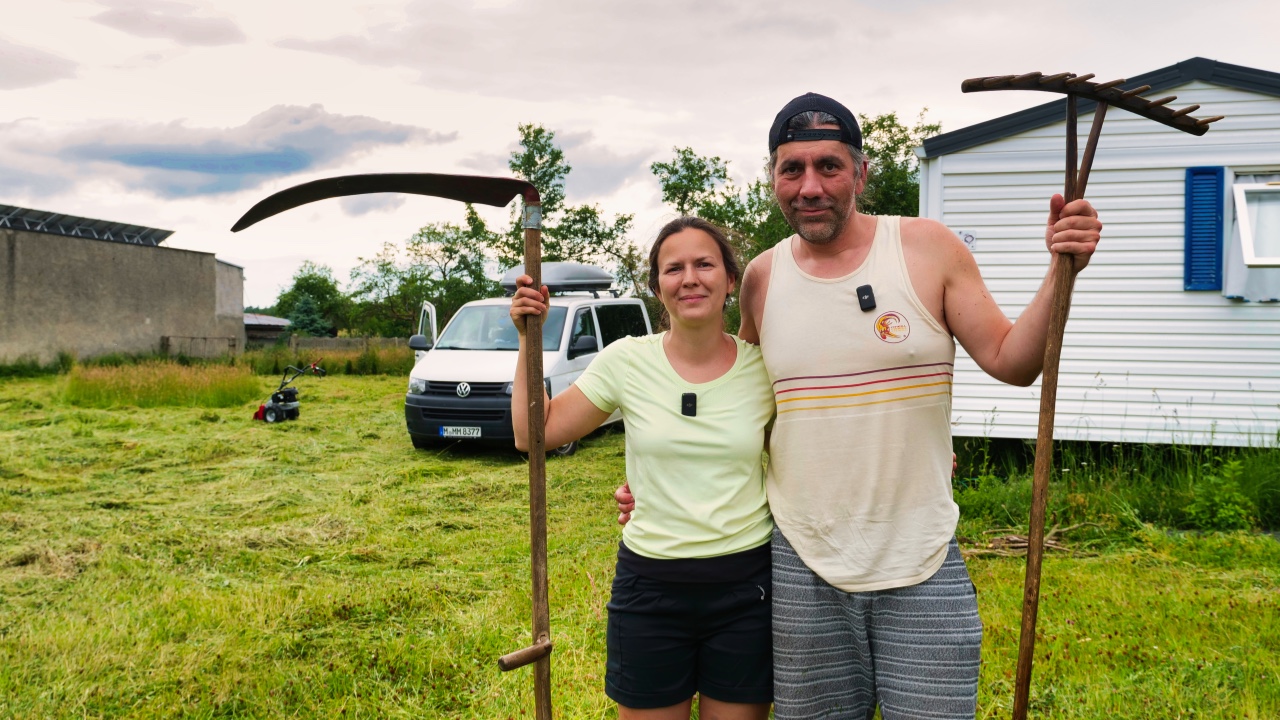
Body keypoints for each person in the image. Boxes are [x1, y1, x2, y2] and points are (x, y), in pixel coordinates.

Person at [617, 92, 1103, 719]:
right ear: (773, 180)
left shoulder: (928, 248)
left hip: (921, 555)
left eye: (829, 166)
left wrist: (1062, 270)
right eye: (792, 169)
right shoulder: (762, 279)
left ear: (862, 172)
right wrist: (667, 482)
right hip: (799, 564)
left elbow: (1013, 361)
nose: (810, 186)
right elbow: (740, 404)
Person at [510, 216, 777, 720]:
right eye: (673, 268)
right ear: (657, 287)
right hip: (650, 588)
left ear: (730, 279)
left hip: (746, 587)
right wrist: (529, 337)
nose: (690, 278)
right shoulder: (626, 361)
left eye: (704, 264)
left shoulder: (763, 368)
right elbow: (533, 434)